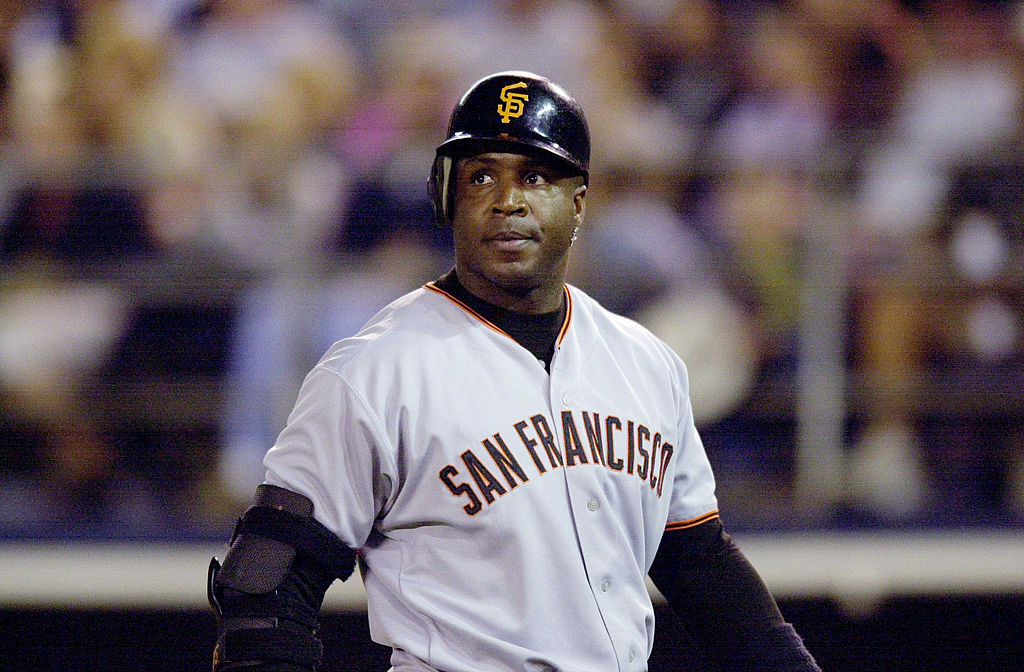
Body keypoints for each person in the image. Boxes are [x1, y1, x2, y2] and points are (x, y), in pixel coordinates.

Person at [207, 71, 822, 672]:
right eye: (481, 176)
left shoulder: (647, 363)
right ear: (450, 198)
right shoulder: (372, 371)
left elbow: (700, 564)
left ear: (578, 203)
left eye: (535, 175)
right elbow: (266, 584)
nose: (508, 201)